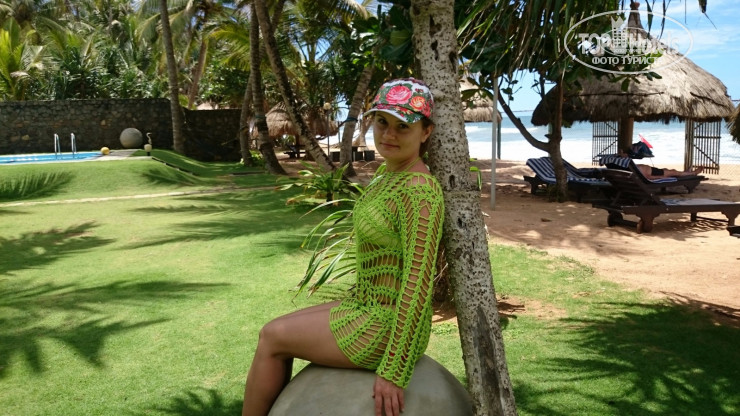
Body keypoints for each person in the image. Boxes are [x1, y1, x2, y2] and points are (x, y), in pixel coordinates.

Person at [241, 78, 445, 416]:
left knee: (272, 338)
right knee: (272, 330)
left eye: (402, 126)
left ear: (425, 132)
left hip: (385, 326)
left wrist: (394, 369)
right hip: (365, 306)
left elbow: (418, 283)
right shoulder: (388, 176)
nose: (389, 134)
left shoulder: (419, 190)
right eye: (382, 122)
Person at [617, 148, 704, 179]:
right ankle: (693, 173)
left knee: (668, 170)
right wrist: (662, 177)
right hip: (652, 173)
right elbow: (649, 177)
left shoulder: (626, 168)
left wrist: (622, 155)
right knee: (673, 172)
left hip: (652, 171)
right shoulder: (632, 170)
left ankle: (686, 172)